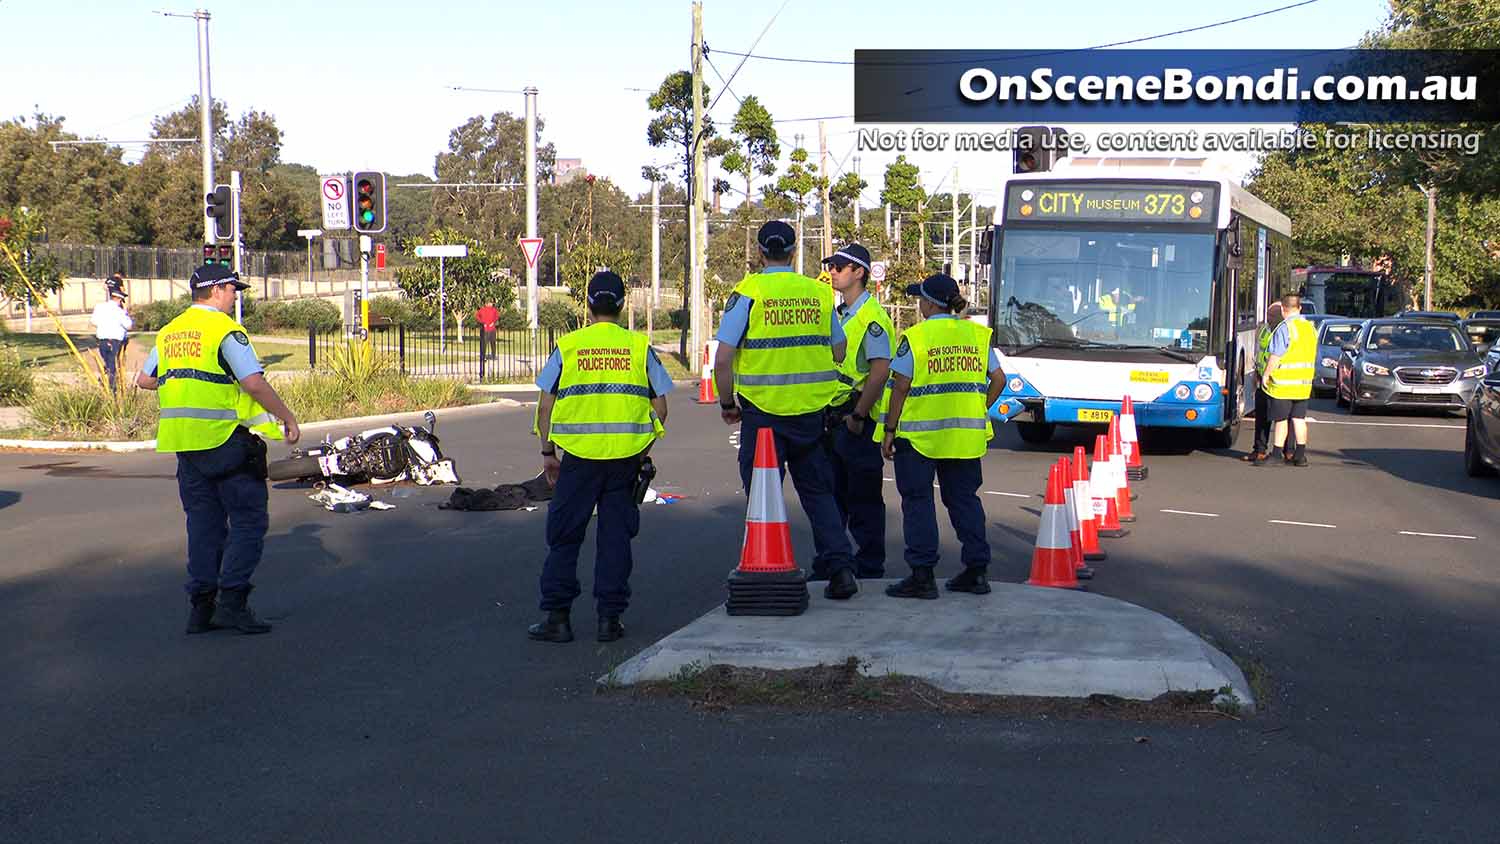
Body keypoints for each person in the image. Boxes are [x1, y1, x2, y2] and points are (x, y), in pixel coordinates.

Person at [135, 263, 301, 635]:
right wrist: (287, 417)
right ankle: (233, 603)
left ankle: (201, 609)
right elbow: (253, 383)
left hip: (185, 446)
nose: (235, 297)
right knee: (247, 521)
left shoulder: (170, 332)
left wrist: (184, 380)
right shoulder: (225, 331)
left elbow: (145, 380)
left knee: (203, 526)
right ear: (217, 290)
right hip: (224, 440)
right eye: (232, 290)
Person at [713, 221, 858, 600]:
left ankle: (765, 567)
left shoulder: (749, 292)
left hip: (763, 415)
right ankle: (840, 568)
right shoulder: (817, 292)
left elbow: (724, 359)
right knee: (818, 492)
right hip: (812, 413)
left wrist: (728, 404)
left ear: (760, 253)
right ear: (794, 253)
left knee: (762, 494)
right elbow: (839, 349)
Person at [528, 271, 673, 644]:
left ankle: (558, 618)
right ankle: (610, 619)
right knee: (615, 538)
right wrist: (643, 448)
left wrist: (548, 453)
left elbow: (546, 406)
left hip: (578, 459)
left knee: (564, 536)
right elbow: (661, 406)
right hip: (625, 461)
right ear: (623, 305)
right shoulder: (639, 348)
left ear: (588, 304)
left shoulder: (569, 346)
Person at [880, 273, 1005, 599]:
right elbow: (999, 380)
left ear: (931, 303)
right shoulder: (976, 337)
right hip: (963, 437)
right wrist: (979, 407)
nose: (918, 303)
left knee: (918, 502)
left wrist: (889, 430)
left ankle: (922, 575)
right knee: (965, 500)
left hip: (919, 437)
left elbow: (901, 386)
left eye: (920, 298)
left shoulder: (916, 337)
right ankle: (976, 572)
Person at [819, 243, 893, 580]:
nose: (831, 271)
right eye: (831, 265)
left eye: (838, 266)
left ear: (859, 272)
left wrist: (859, 415)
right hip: (833, 417)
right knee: (831, 499)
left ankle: (868, 566)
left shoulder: (871, 317)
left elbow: (879, 370)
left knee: (863, 499)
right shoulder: (838, 314)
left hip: (855, 419)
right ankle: (834, 563)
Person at [1259, 293, 1315, 467]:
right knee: (1299, 418)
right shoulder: (1310, 328)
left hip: (1284, 385)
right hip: (1304, 384)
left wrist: (1266, 374)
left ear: (1283, 309)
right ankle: (1300, 455)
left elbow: (1276, 355)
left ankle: (1276, 454)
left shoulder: (1285, 328)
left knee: (1281, 419)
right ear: (1300, 308)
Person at [1242, 301, 1284, 464]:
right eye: (1268, 315)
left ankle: (1287, 451)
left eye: (1272, 316)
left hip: (1279, 380)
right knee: (1261, 416)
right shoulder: (1265, 329)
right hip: (1262, 378)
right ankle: (1259, 450)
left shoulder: (1284, 331)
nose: (1269, 318)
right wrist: (1256, 375)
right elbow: (1259, 352)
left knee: (1282, 418)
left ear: (1281, 316)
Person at [90, 283, 133, 389]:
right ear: (119, 299)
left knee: (108, 363)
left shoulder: (99, 307)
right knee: (113, 366)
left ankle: (106, 382)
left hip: (102, 341)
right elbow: (129, 325)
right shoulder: (119, 311)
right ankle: (112, 389)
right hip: (115, 342)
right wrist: (125, 313)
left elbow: (93, 321)